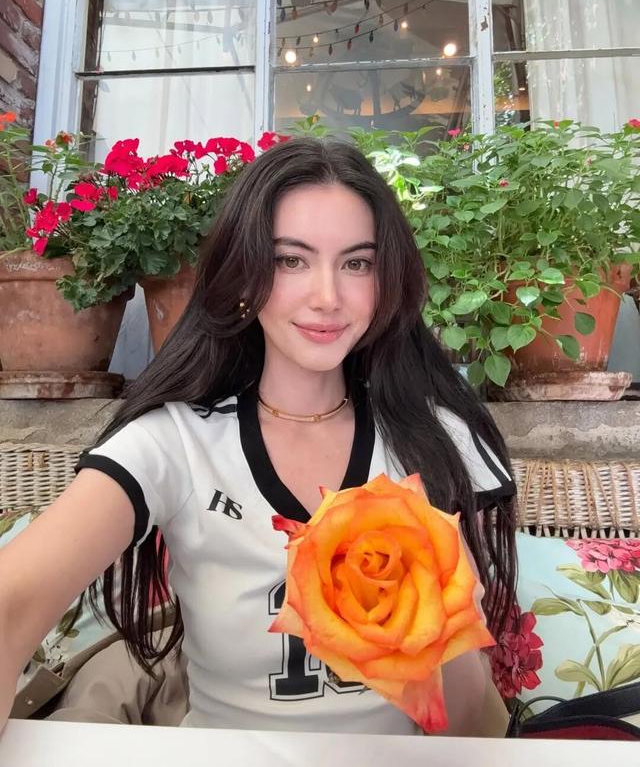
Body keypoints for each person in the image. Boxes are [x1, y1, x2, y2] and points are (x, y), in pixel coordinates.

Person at [0, 137, 516, 737]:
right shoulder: (173, 445)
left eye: (357, 263)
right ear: (244, 272)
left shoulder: (438, 441)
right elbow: (12, 603)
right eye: (291, 260)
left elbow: (472, 729)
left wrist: (446, 621)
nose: (328, 297)